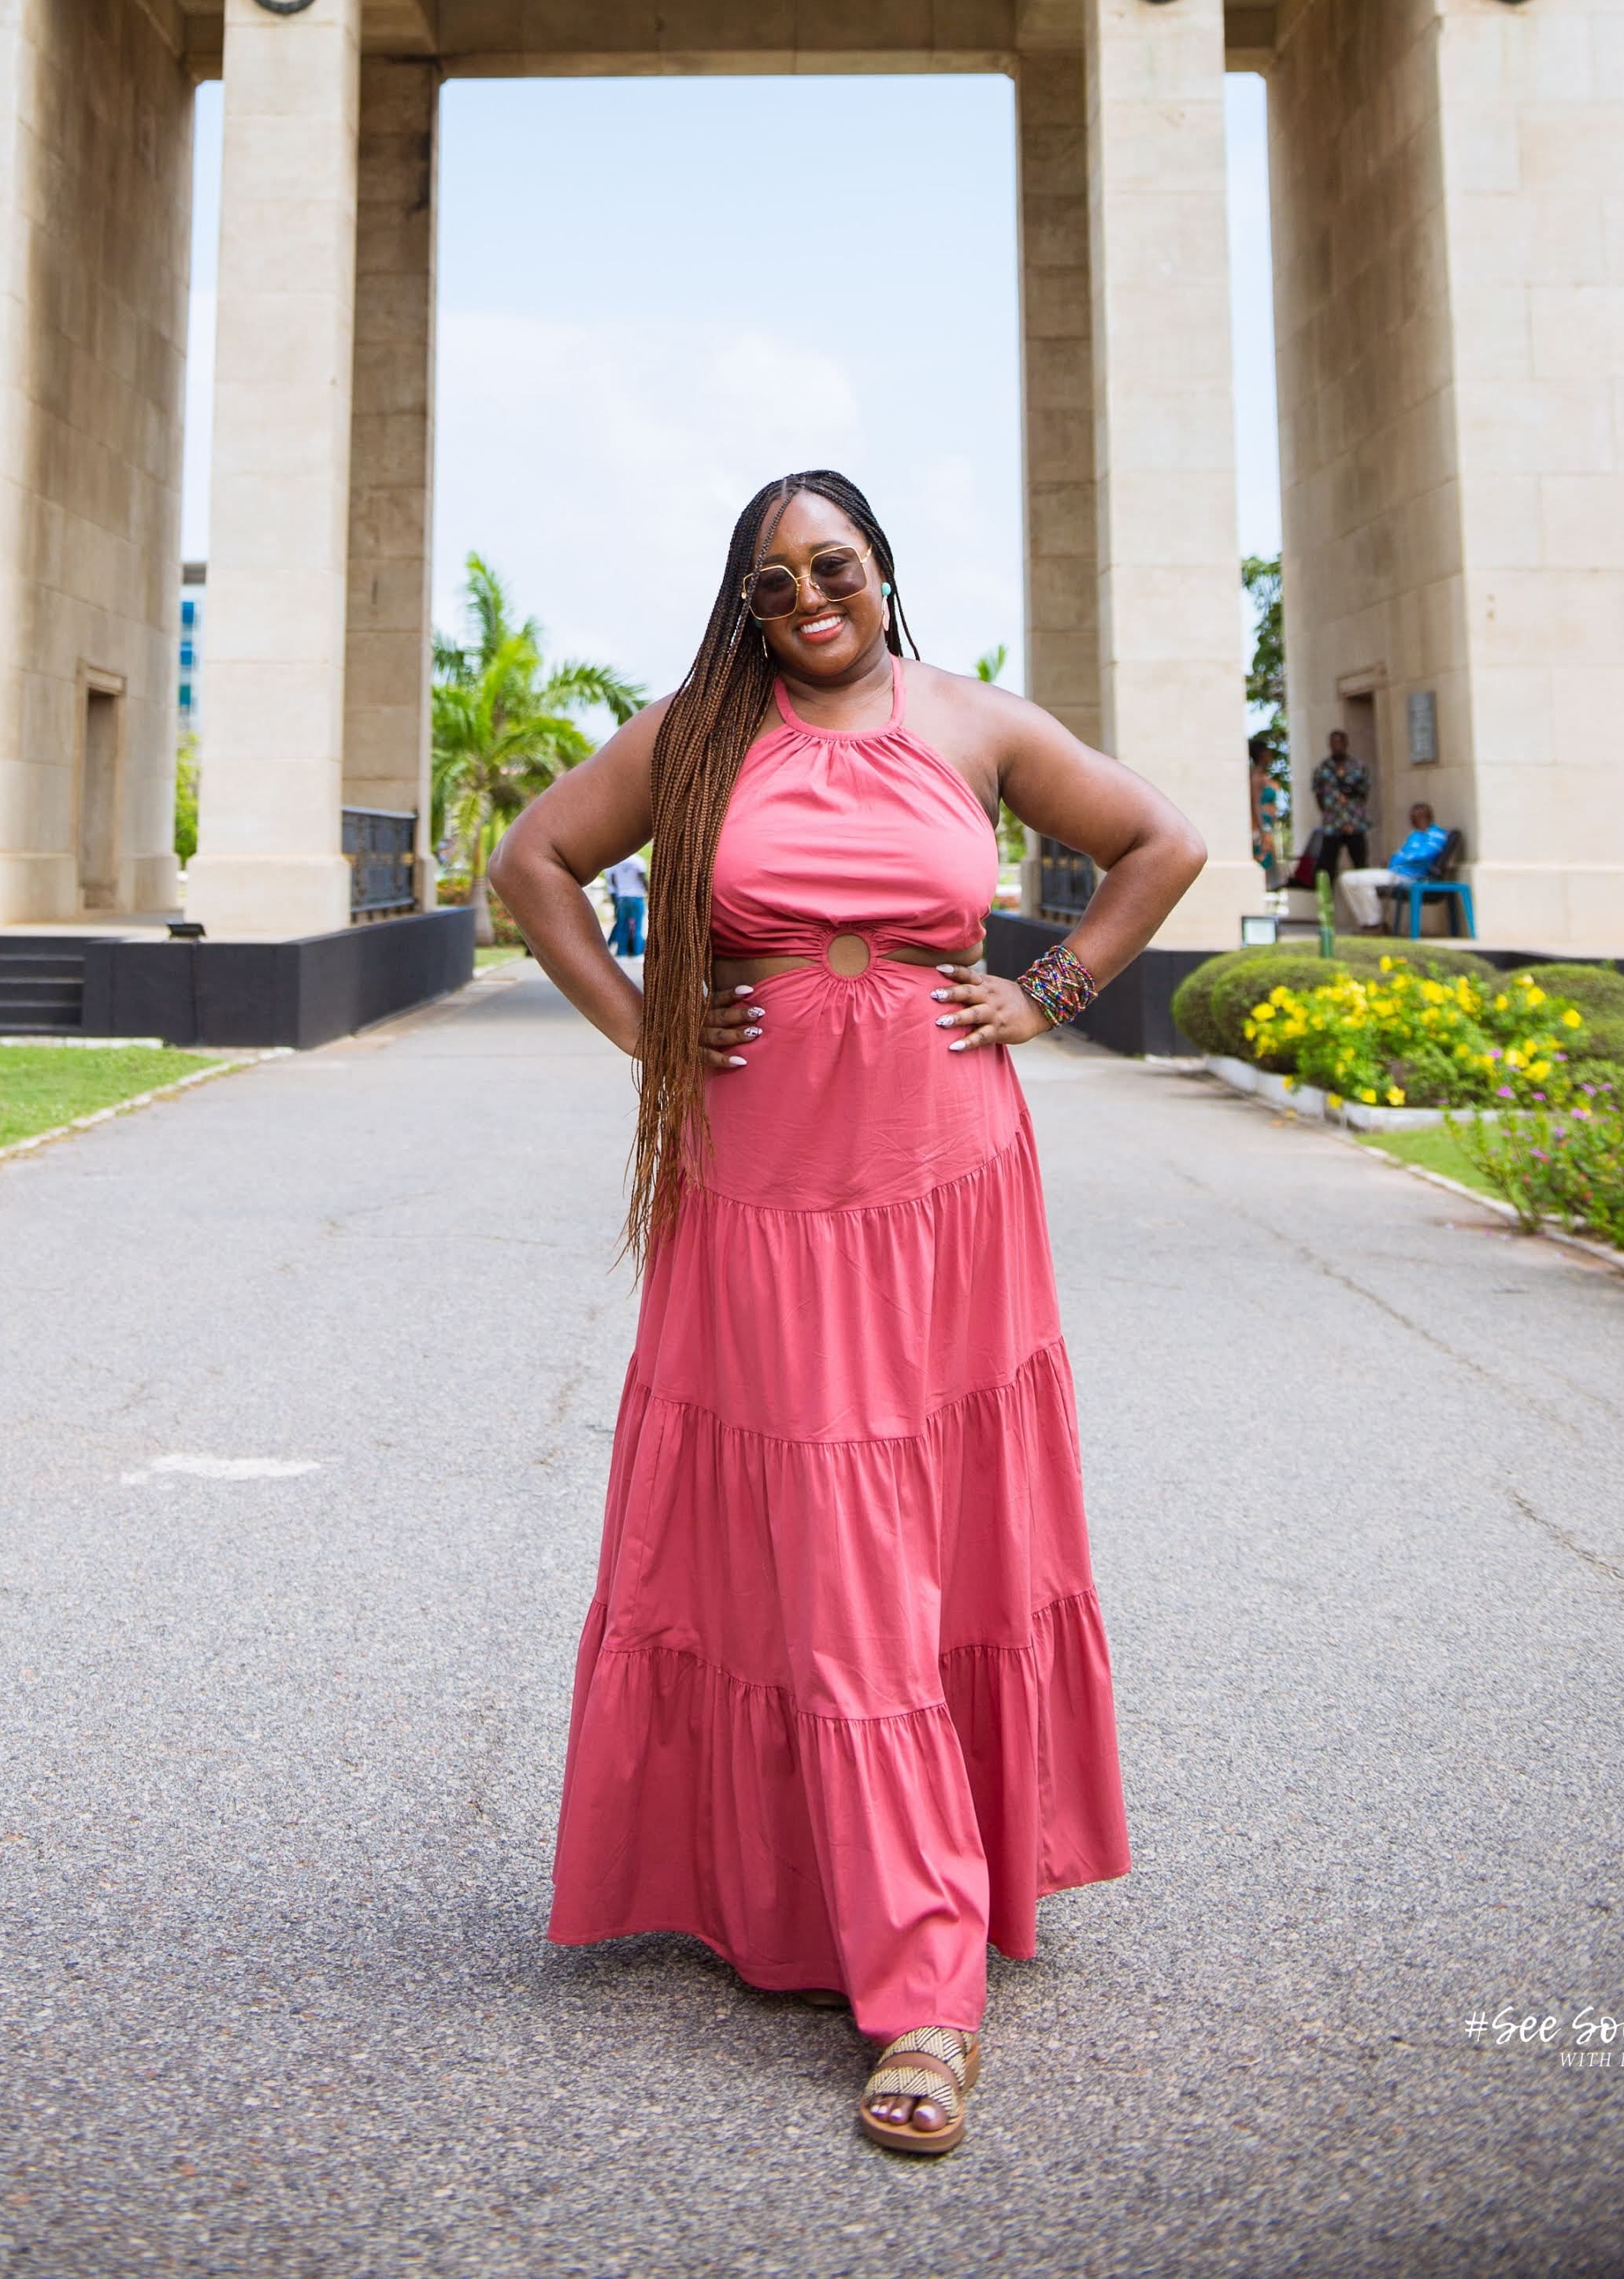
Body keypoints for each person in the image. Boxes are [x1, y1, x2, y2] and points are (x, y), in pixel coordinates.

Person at [492, 471, 1204, 2158]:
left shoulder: (974, 721)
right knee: (821, 1533)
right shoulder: (696, 731)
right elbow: (534, 862)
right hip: (757, 1182)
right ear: (742, 604)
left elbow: (1160, 841)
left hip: (946, 1178)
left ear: (884, 572)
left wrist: (1049, 990)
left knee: (918, 1527)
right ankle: (862, 1917)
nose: (806, 594)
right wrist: (640, 1031)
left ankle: (921, 1967)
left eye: (832, 565)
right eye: (770, 579)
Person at [1311, 726, 1372, 886]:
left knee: (1361, 863)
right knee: (1326, 867)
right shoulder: (1323, 768)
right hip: (1332, 824)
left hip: (1355, 823)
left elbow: (1364, 792)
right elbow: (1318, 793)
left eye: (1340, 743)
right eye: (1333, 743)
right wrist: (1329, 812)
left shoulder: (1358, 766)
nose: (1336, 746)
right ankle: (1326, 905)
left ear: (1346, 744)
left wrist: (1353, 811)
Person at [1248, 731, 1291, 888]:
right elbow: (1255, 805)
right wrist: (1263, 830)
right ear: (1262, 754)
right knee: (1263, 863)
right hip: (1261, 827)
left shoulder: (1266, 778)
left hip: (1269, 826)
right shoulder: (1256, 778)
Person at [605, 851, 647, 959]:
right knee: (637, 926)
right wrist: (647, 890)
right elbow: (642, 877)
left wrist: (620, 890)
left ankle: (621, 953)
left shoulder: (618, 862)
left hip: (622, 897)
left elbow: (613, 879)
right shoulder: (638, 860)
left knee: (622, 925)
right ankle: (637, 953)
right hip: (636, 896)